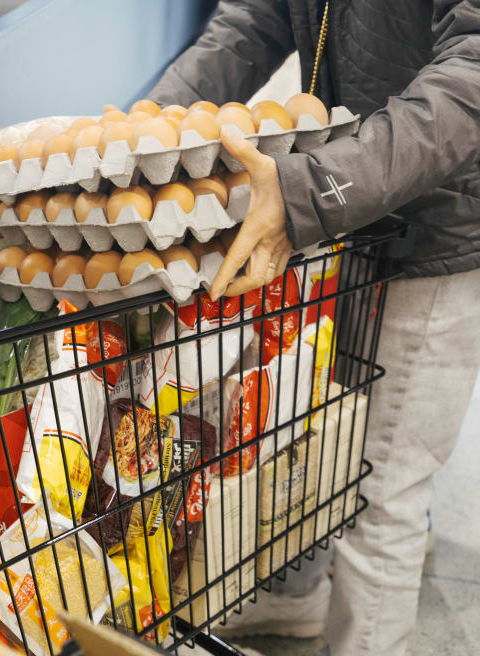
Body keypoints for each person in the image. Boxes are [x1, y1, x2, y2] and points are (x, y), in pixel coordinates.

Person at [145, 2, 480, 655]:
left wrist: (316, 186)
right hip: (351, 204)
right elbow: (250, 24)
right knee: (313, 433)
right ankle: (295, 596)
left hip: (441, 227)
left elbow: (472, 75)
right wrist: (144, 135)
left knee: (383, 484)